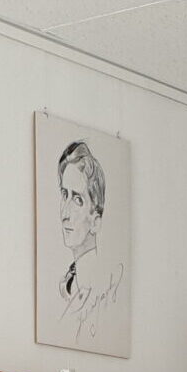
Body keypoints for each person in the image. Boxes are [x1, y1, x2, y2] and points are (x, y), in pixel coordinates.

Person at [49, 138, 123, 345]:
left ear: (96, 221)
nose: (65, 213)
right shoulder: (68, 282)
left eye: (77, 199)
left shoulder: (106, 285)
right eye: (64, 195)